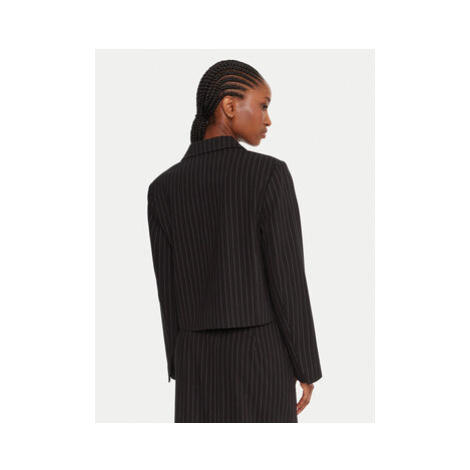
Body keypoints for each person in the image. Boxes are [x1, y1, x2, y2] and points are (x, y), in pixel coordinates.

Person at [147, 59, 322, 423]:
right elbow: (287, 279)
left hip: (195, 359)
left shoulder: (162, 188)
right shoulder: (268, 174)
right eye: (263, 105)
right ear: (229, 106)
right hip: (260, 356)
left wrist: (180, 364)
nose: (268, 119)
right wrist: (305, 364)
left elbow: (168, 291)